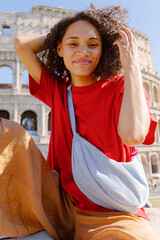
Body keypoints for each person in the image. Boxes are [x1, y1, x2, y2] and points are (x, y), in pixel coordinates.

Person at [0, 5, 158, 240]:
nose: (83, 51)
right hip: (60, 203)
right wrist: (63, 34)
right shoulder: (59, 90)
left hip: (112, 213)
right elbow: (22, 45)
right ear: (59, 49)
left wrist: (131, 67)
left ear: (103, 49)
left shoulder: (121, 86)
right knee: (6, 130)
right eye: (73, 44)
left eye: (93, 44)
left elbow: (133, 135)